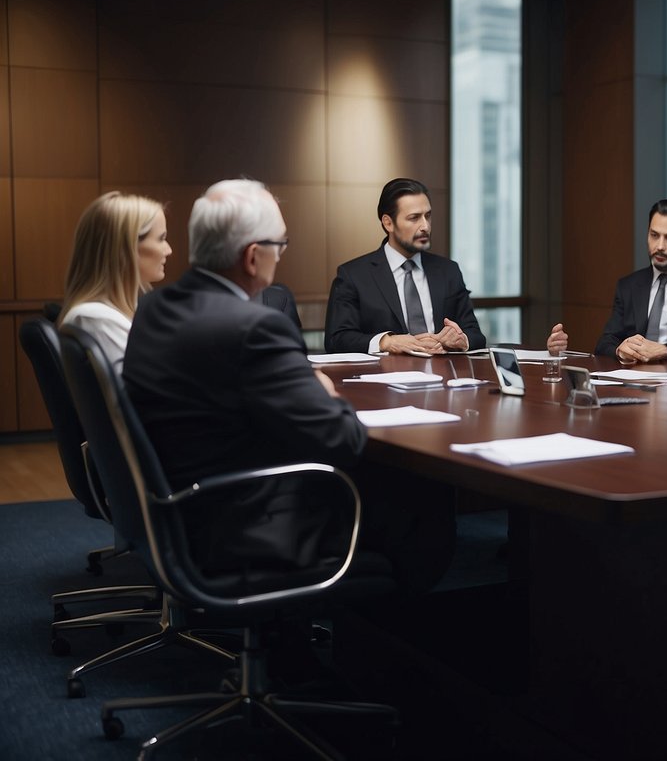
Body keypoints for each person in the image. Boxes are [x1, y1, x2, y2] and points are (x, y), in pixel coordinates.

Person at [125, 180, 453, 595]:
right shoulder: (256, 327)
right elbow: (343, 440)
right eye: (279, 245)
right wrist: (326, 392)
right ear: (252, 256)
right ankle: (399, 646)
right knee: (423, 497)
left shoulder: (155, 307)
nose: (280, 256)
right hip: (247, 525)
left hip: (174, 515)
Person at [546, 198, 667, 365]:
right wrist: (621, 350)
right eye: (654, 235)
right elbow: (605, 342)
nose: (659, 246)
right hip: (633, 381)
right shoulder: (629, 285)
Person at [324, 178, 485, 355]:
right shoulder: (353, 275)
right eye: (414, 218)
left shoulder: (448, 271)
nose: (425, 226)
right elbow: (336, 339)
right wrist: (387, 342)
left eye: (428, 216)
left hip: (443, 376)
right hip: (383, 378)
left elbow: (475, 334)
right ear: (388, 223)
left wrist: (461, 339)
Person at [58, 192, 171, 374]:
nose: (169, 250)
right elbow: (145, 395)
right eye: (161, 239)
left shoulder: (108, 315)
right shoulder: (95, 319)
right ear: (125, 248)